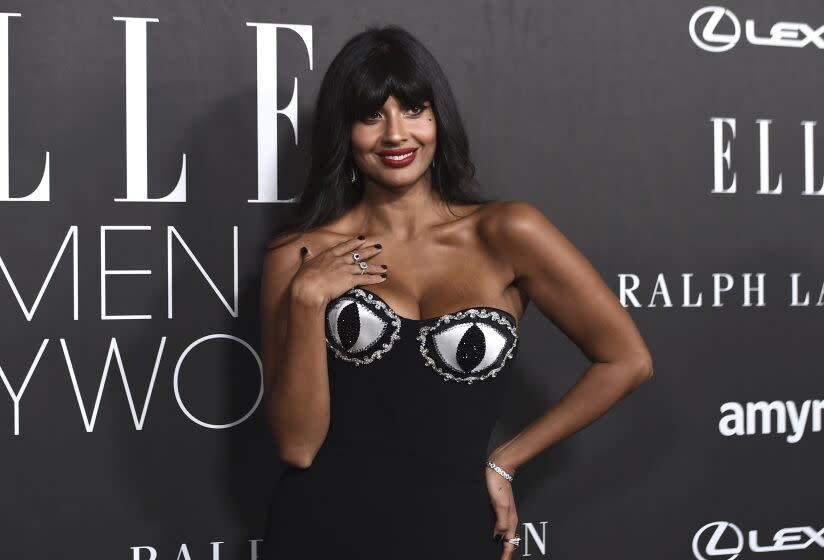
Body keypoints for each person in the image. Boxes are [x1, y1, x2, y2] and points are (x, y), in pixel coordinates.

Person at [259, 24, 653, 560]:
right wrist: (308, 300)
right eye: (371, 116)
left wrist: (505, 460)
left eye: (414, 110)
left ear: (438, 118)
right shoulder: (299, 256)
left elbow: (627, 360)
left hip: (455, 530)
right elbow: (297, 447)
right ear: (344, 131)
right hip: (322, 530)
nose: (397, 134)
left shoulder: (508, 232)